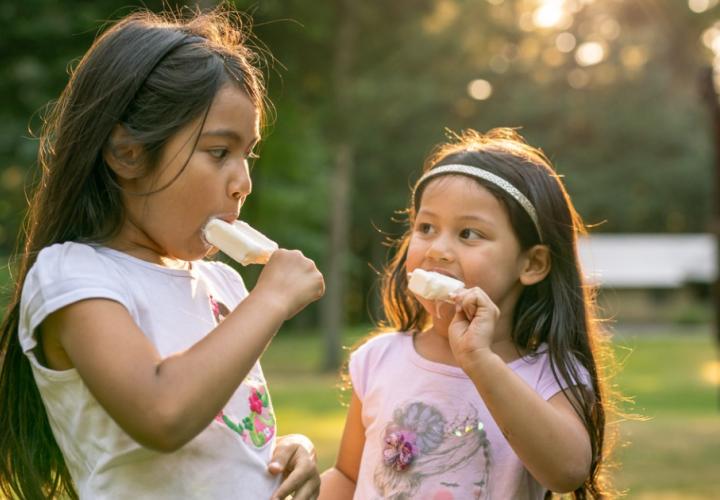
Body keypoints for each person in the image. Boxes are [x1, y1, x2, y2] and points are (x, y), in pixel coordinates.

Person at [0, 7, 325, 500]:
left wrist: (288, 450)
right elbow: (163, 413)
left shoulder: (224, 284)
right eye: (219, 152)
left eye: (248, 155)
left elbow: (220, 447)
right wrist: (272, 300)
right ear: (128, 153)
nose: (243, 183)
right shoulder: (72, 276)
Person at [319, 128, 617, 499]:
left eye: (469, 234)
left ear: (532, 263)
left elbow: (567, 472)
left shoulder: (549, 374)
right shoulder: (379, 359)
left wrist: (480, 359)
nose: (438, 250)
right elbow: (347, 476)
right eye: (426, 227)